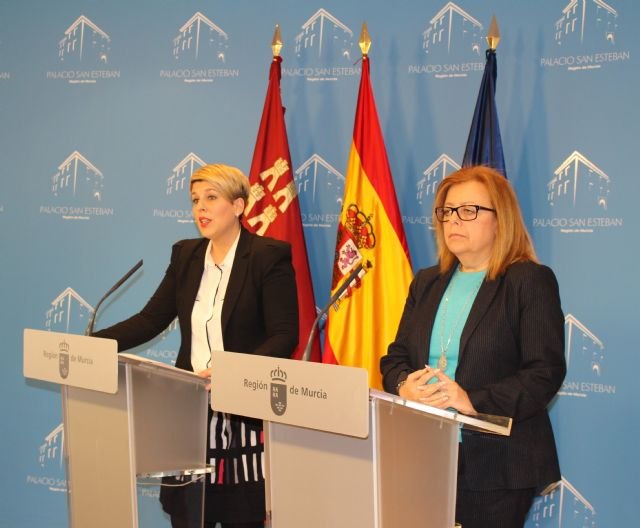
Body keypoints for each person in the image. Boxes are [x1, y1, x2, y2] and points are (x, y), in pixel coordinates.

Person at [93, 164, 299, 528]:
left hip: (242, 419)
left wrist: (232, 373)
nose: (199, 208)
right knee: (188, 516)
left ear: (238, 206)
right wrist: (92, 346)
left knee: (240, 515)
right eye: (194, 200)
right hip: (188, 418)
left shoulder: (267, 256)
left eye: (211, 198)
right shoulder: (186, 255)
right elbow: (150, 320)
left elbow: (284, 335)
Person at [380, 166, 566, 528]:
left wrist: (471, 400)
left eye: (468, 211)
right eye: (447, 211)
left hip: (495, 462)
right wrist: (404, 385)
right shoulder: (427, 282)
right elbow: (395, 356)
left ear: (501, 219)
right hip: (423, 451)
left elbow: (545, 372)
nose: (453, 220)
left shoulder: (528, 280)